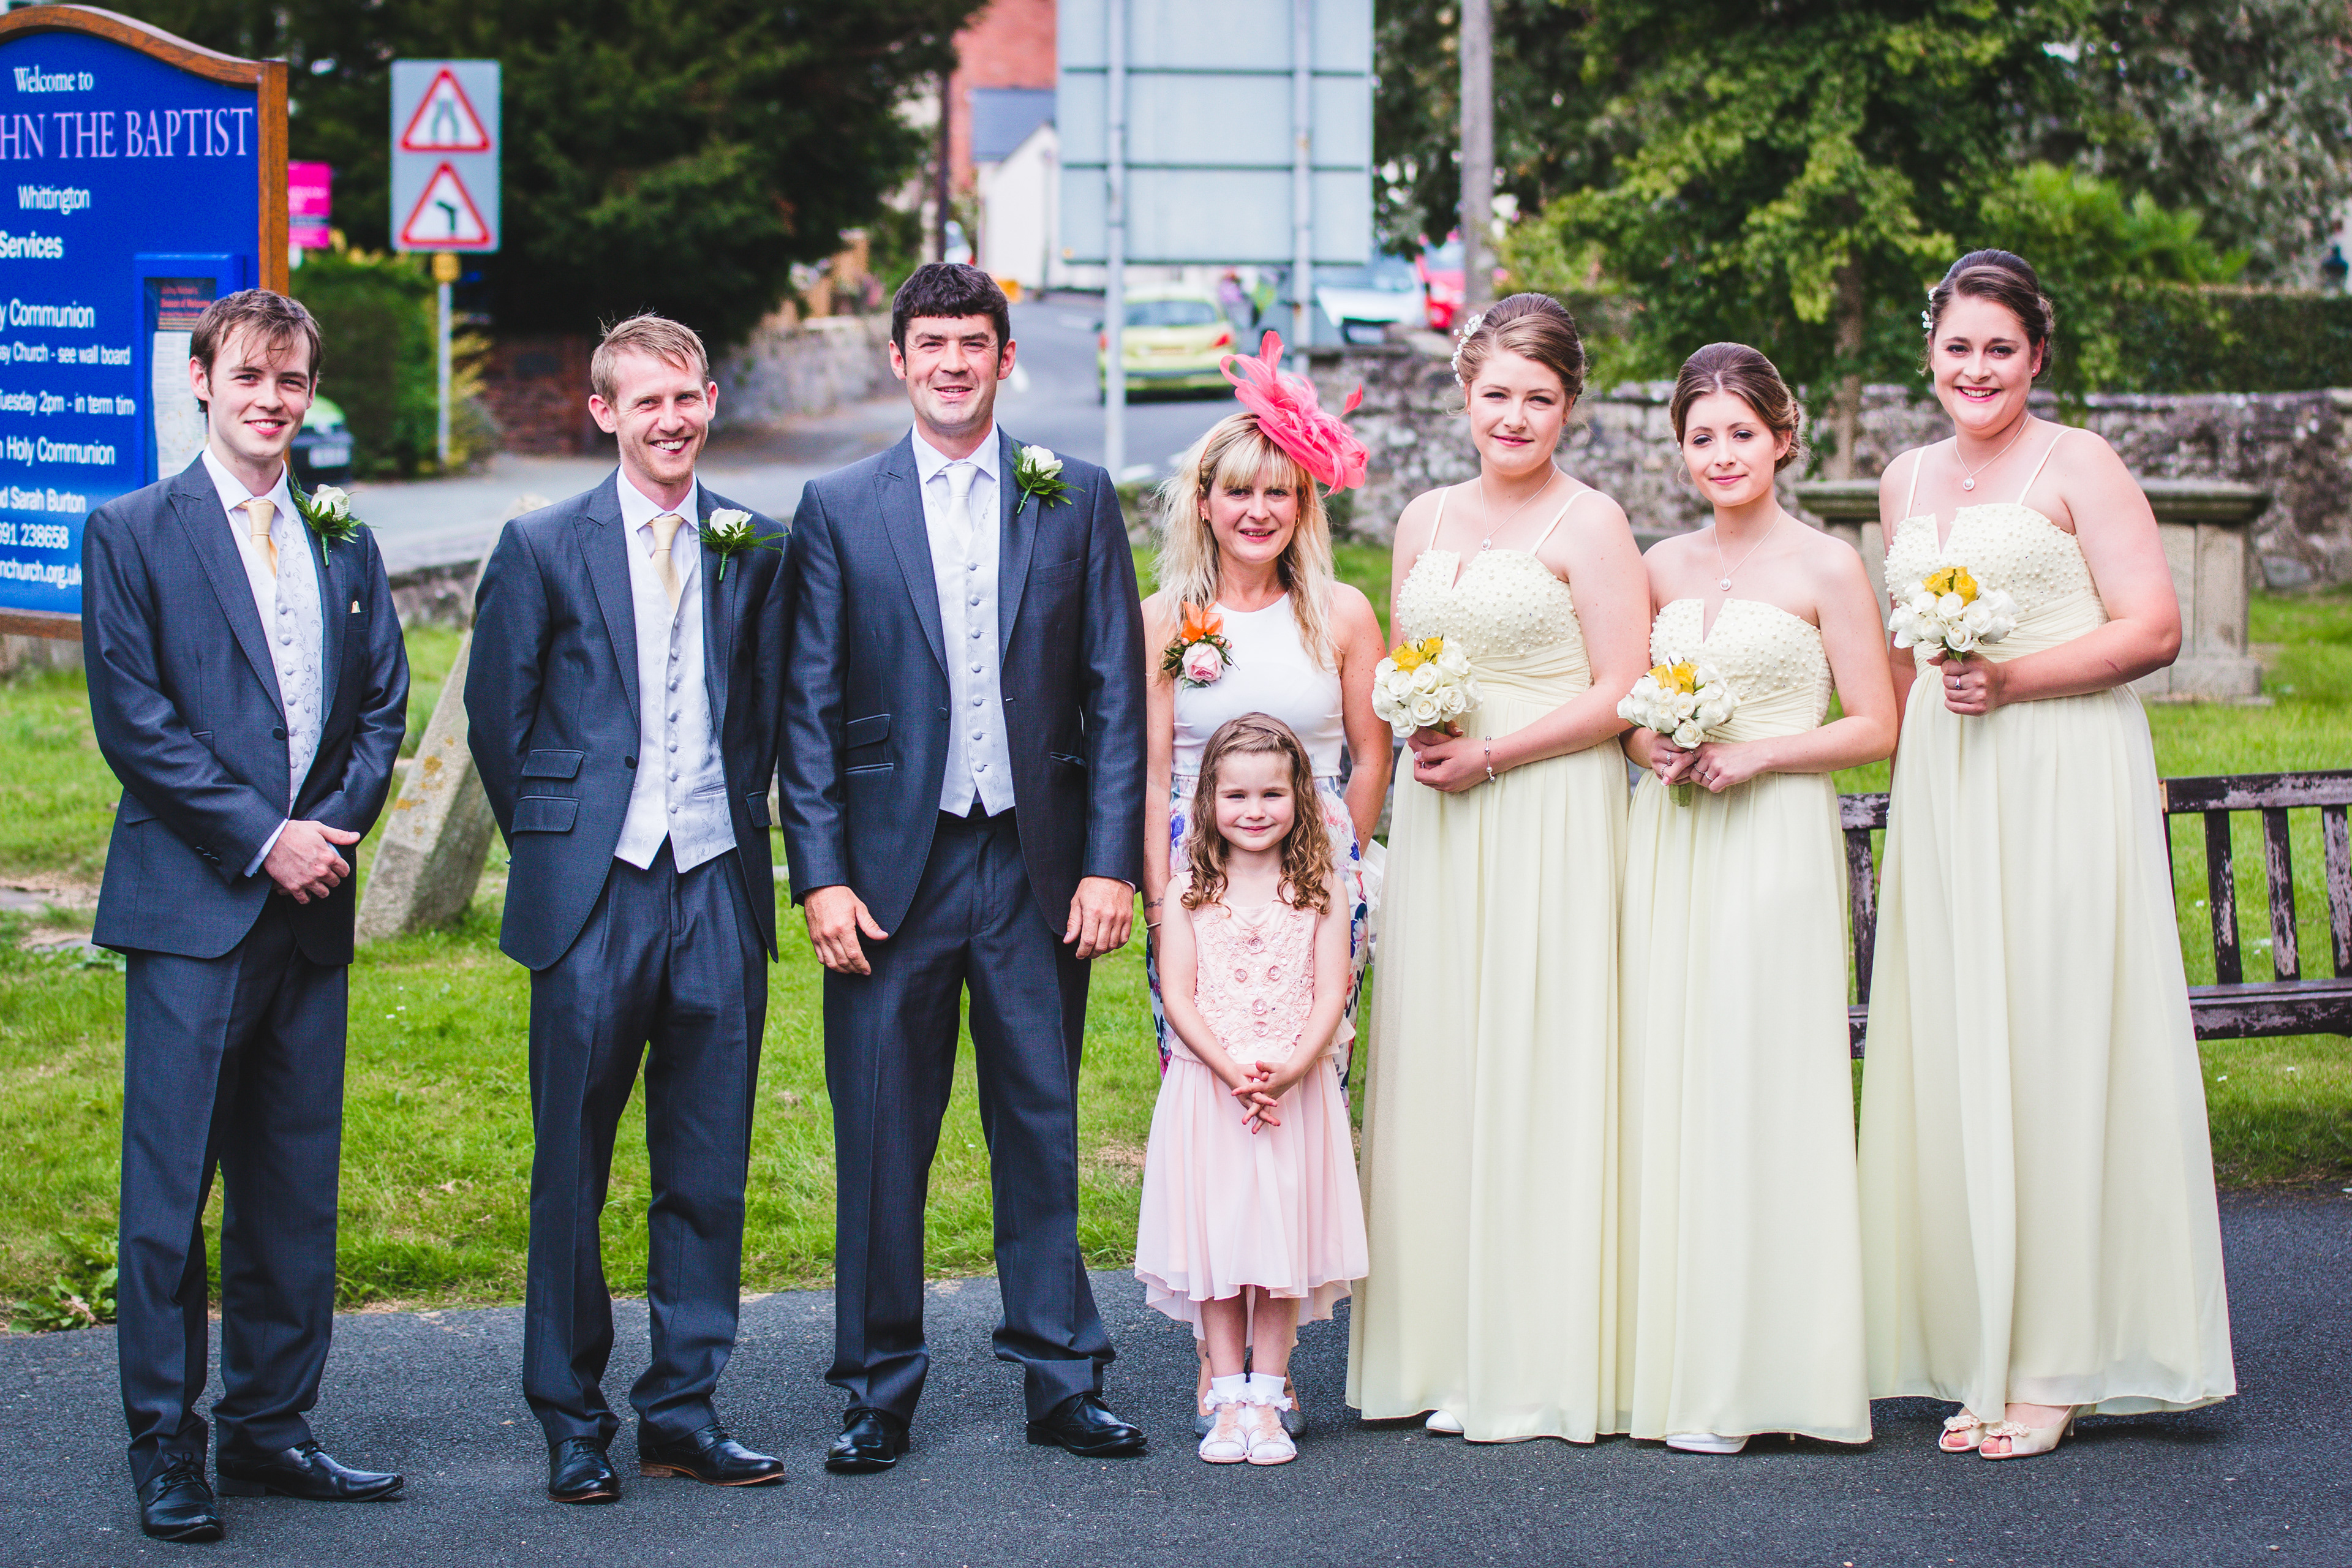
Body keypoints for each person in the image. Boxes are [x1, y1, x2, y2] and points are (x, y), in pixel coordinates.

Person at [1858, 250, 2236, 1460]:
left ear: (2036, 357)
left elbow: (2155, 628)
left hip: (2063, 765)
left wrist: (2013, 677)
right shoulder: (1904, 480)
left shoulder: (2082, 464)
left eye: (2000, 350)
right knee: (1967, 1043)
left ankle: (2060, 1361)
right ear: (1930, 351)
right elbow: (1905, 657)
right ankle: (1986, 1339)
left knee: (2059, 1041)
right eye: (1958, 348)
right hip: (1951, 776)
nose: (1977, 369)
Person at [780, 262, 1150, 1472]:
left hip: (1034, 866)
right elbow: (808, 707)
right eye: (931, 343)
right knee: (883, 1132)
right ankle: (877, 1386)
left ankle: (1062, 1378)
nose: (952, 362)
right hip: (893, 875)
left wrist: (1108, 863)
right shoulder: (839, 506)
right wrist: (821, 875)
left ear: (1005, 358)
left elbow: (1114, 693)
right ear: (899, 359)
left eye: (973, 342)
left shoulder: (1074, 496)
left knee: (1040, 1121)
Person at [81, 289, 410, 1543]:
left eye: (292, 380)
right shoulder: (132, 532)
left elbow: (382, 703)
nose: (272, 399)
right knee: (171, 1194)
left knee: (291, 1185)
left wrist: (328, 830)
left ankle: (272, 1424)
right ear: (202, 380)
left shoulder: (343, 535)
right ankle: (167, 1443)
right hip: (193, 906)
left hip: (309, 908)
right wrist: (264, 837)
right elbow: (136, 722)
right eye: (251, 376)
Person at [467, 314, 789, 1504]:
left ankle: (683, 1407)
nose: (671, 419)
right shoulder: (542, 544)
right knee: (574, 1165)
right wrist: (565, 852)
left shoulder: (758, 544)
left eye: (687, 397)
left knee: (706, 1165)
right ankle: (570, 1413)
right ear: (604, 411)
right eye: (646, 401)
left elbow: (770, 707)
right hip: (594, 892)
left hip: (717, 883)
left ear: (710, 402)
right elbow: (498, 723)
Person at [1348, 292, 1649, 1442]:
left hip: (1549, 805)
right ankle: (1440, 1346)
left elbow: (1622, 689)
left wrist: (1495, 754)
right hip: (1443, 815)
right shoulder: (1422, 519)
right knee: (1444, 1052)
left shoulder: (1592, 522)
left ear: (1569, 408)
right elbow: (1410, 658)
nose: (1514, 417)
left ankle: (1537, 1355)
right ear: (1464, 393)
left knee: (1540, 1053)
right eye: (1496, 395)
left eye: (1539, 398)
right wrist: (1423, 722)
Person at [1613, 344, 1896, 1454]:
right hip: (1672, 837)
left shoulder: (1828, 565)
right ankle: (1677, 1360)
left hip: (1773, 837)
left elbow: (1876, 724)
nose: (1722, 454)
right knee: (1673, 1073)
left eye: (1742, 433)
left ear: (1783, 437)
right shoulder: (1659, 566)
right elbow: (1627, 706)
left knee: (1761, 1077)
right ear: (1681, 451)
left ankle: (1776, 1369)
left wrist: (1759, 754)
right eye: (1702, 437)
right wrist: (1653, 745)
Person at [1142, 337, 1389, 1434]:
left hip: (1313, 886)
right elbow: (1153, 765)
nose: (1257, 511)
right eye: (1238, 491)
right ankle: (1216, 1359)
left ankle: (1276, 1363)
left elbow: (1370, 755)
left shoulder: (1340, 614)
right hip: (1199, 891)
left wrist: (1337, 872)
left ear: (1304, 504)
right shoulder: (1167, 622)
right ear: (1204, 502)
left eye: (1278, 492)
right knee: (1209, 1107)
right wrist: (1163, 898)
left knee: (1297, 1101)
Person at [1137, 714, 1369, 1468]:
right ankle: (1227, 1395)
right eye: (1237, 794)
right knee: (1216, 1240)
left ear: (1301, 798)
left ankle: (1267, 1397)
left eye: (1273, 793)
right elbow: (1178, 995)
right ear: (1208, 800)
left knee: (1278, 1242)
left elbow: (1332, 991)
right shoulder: (1186, 891)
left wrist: (1294, 1068)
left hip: (1291, 1093)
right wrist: (1231, 1070)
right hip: (1213, 1090)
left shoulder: (1321, 889)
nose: (1255, 809)